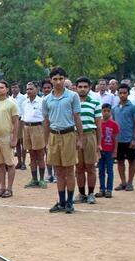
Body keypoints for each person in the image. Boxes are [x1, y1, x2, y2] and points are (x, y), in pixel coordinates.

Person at [44, 67, 83, 214]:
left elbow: (77, 118)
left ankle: (69, 202)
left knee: (69, 170)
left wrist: (80, 137)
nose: (58, 82)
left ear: (65, 79)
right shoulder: (47, 99)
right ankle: (61, 201)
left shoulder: (73, 96)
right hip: (54, 135)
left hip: (68, 135)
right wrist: (46, 141)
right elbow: (46, 121)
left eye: (61, 79)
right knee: (58, 171)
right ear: (51, 80)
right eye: (55, 79)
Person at [74, 77, 101, 204]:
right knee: (78, 167)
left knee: (90, 167)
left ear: (89, 88)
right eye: (80, 87)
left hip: (90, 135)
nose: (82, 89)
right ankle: (81, 193)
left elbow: (98, 124)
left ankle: (91, 193)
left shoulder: (95, 103)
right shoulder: (72, 103)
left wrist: (99, 143)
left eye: (85, 87)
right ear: (76, 87)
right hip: (75, 136)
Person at [0, 80, 19, 198]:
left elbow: (16, 122)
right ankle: (2, 187)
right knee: (0, 164)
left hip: (6, 136)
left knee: (10, 163)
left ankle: (9, 189)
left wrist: (14, 138)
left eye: (1, 87)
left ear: (7, 89)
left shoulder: (12, 104)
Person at [112, 84, 135, 192]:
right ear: (118, 93)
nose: (122, 95)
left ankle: (130, 182)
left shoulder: (133, 108)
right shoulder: (115, 108)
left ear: (128, 93)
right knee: (120, 161)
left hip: (129, 139)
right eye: (120, 93)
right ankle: (123, 182)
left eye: (125, 93)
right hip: (118, 140)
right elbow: (114, 124)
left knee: (131, 161)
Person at [22, 82, 47, 189]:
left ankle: (42, 179)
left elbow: (46, 118)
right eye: (27, 89)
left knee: (40, 155)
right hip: (27, 128)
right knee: (31, 155)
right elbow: (22, 117)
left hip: (38, 128)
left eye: (31, 89)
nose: (28, 91)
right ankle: (34, 179)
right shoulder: (24, 103)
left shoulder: (42, 102)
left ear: (37, 89)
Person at [96, 104, 120, 198]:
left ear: (110, 112)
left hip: (110, 150)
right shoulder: (99, 123)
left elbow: (116, 138)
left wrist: (115, 150)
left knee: (109, 170)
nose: (106, 113)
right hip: (101, 150)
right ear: (101, 112)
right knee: (101, 170)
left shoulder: (114, 124)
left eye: (108, 111)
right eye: (104, 111)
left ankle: (109, 189)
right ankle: (102, 189)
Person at [41, 79, 56, 183]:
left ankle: (56, 174)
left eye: (48, 88)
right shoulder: (41, 100)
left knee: (54, 152)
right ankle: (49, 174)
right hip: (43, 128)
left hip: (54, 128)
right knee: (47, 152)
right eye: (44, 88)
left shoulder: (54, 99)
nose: (46, 89)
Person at [11, 82, 27, 170]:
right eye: (12, 87)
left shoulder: (23, 98)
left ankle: (24, 162)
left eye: (15, 87)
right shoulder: (10, 98)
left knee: (23, 142)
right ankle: (19, 161)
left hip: (21, 120)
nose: (14, 89)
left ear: (19, 88)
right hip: (13, 121)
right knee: (16, 143)